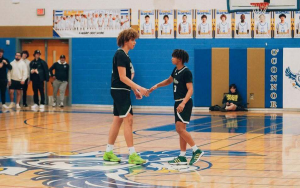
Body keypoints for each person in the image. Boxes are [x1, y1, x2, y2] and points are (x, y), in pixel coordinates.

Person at [149, 49, 204, 165]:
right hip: (177, 103)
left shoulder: (186, 72)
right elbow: (169, 80)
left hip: (184, 103)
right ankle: (182, 156)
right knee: (181, 130)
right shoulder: (176, 70)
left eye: (173, 57)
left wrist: (183, 103)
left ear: (179, 59)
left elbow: (190, 90)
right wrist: (157, 85)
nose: (171, 58)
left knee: (179, 129)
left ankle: (196, 150)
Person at [103, 28, 148, 165]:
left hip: (121, 90)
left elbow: (125, 78)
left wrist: (134, 90)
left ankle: (108, 152)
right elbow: (122, 77)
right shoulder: (121, 55)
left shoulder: (124, 56)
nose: (135, 42)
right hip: (120, 90)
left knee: (117, 120)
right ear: (126, 40)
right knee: (128, 119)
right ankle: (132, 154)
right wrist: (139, 87)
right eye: (133, 39)